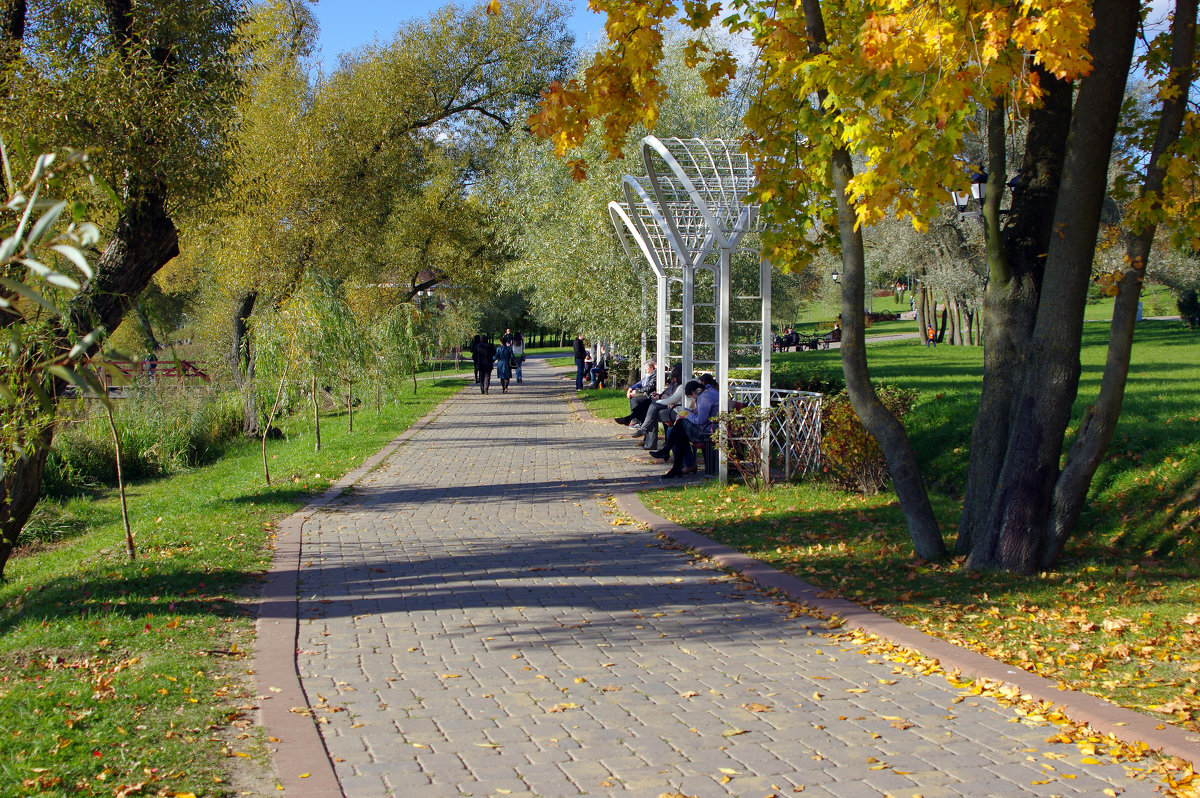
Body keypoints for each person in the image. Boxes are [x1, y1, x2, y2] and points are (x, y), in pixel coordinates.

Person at [650, 379, 719, 478]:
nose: (693, 399)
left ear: (693, 392)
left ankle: (669, 454)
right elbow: (705, 411)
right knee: (679, 433)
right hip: (713, 426)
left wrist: (687, 415)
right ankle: (675, 464)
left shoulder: (703, 398)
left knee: (680, 424)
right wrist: (692, 411)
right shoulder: (710, 392)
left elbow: (700, 420)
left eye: (691, 397)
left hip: (709, 429)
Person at [631, 363, 684, 450]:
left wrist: (659, 400)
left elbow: (671, 400)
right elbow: (668, 396)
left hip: (677, 410)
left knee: (652, 413)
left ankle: (648, 438)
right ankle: (645, 432)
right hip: (672, 407)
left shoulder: (682, 386)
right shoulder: (676, 384)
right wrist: (660, 396)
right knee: (651, 410)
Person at [614, 360, 656, 425]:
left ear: (651, 367)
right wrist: (631, 388)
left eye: (646, 367)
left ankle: (634, 421)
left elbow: (649, 387)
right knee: (633, 398)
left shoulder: (654, 375)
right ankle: (634, 420)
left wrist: (636, 391)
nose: (645, 369)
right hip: (648, 395)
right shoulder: (648, 375)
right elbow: (641, 382)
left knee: (636, 399)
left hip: (652, 396)